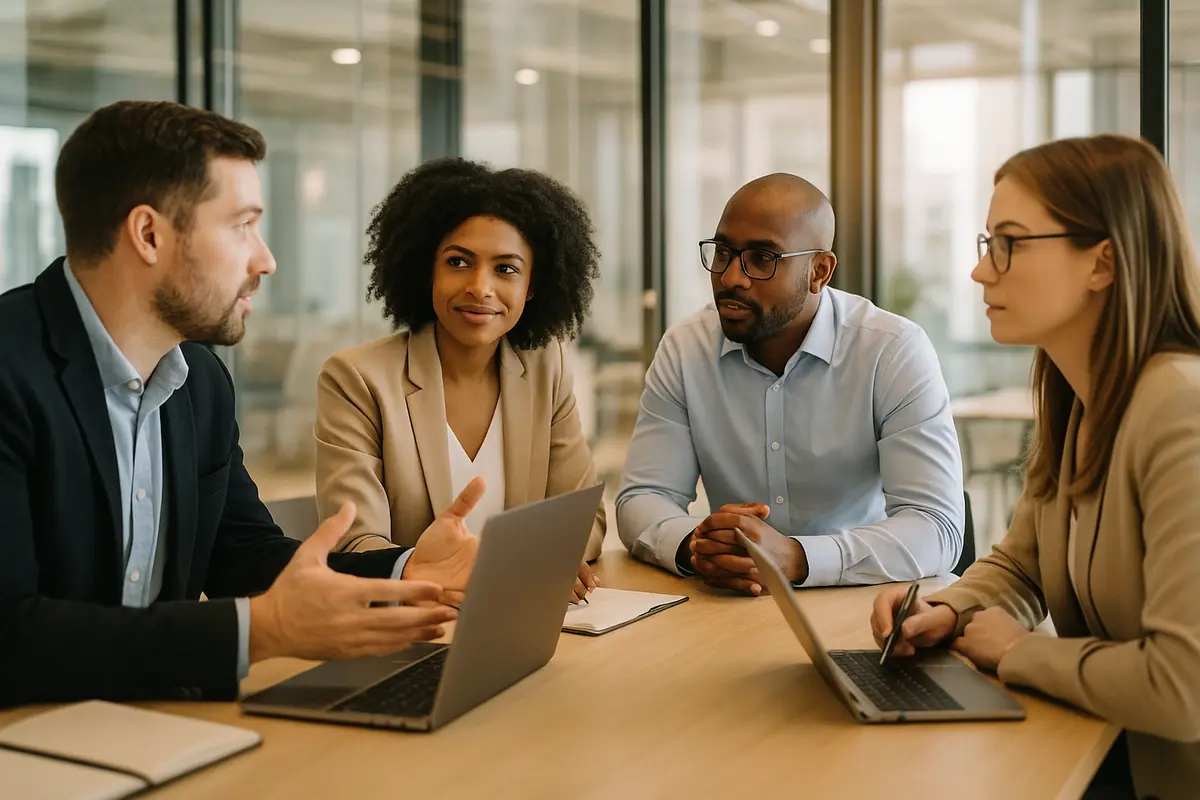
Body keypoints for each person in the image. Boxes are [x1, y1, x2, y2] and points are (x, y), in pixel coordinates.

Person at [0, 101, 483, 708]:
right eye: (242, 226)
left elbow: (242, 553)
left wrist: (405, 571)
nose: (266, 259)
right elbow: (10, 636)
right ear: (148, 234)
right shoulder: (10, 371)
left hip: (149, 723)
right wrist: (264, 631)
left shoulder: (198, 380)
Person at [870, 134, 1200, 800]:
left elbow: (1183, 685)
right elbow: (1024, 565)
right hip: (1108, 751)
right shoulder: (1082, 400)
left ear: (1103, 262)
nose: (981, 272)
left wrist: (1020, 652)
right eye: (986, 243)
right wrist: (946, 609)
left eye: (1009, 243)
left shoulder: (1180, 412)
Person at [617, 173, 963, 593]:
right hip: (731, 607)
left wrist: (797, 558)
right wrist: (696, 545)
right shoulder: (685, 348)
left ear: (819, 271)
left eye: (763, 258)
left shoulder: (891, 352)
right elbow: (642, 497)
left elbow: (935, 527)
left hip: (862, 602)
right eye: (724, 251)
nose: (731, 277)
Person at [315, 158, 605, 603]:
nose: (480, 287)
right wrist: (503, 566)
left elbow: (584, 520)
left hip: (523, 621)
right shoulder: (357, 379)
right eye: (458, 262)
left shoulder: (548, 367)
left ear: (532, 286)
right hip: (413, 624)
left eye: (506, 269)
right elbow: (355, 545)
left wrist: (530, 563)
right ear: (425, 269)